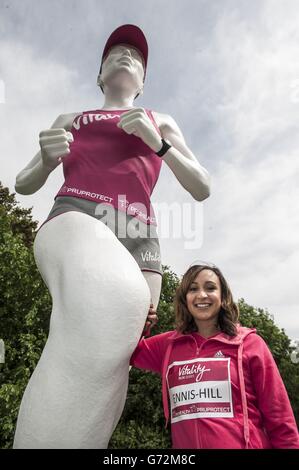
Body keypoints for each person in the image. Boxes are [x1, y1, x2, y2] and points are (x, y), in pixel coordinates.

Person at [13, 25, 210, 448]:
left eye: (136, 57)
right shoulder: (72, 120)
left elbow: (202, 186)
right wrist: (46, 160)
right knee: (114, 300)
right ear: (100, 74)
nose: (125, 56)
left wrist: (159, 145)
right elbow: (23, 184)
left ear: (143, 83)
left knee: (113, 357)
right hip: (76, 215)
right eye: (115, 53)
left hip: (141, 240)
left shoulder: (161, 121)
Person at [131, 264, 299, 449]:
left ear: (223, 296)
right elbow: (125, 352)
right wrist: (140, 323)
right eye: (193, 289)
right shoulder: (168, 345)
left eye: (210, 288)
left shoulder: (250, 343)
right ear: (184, 298)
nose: (202, 295)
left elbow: (281, 419)